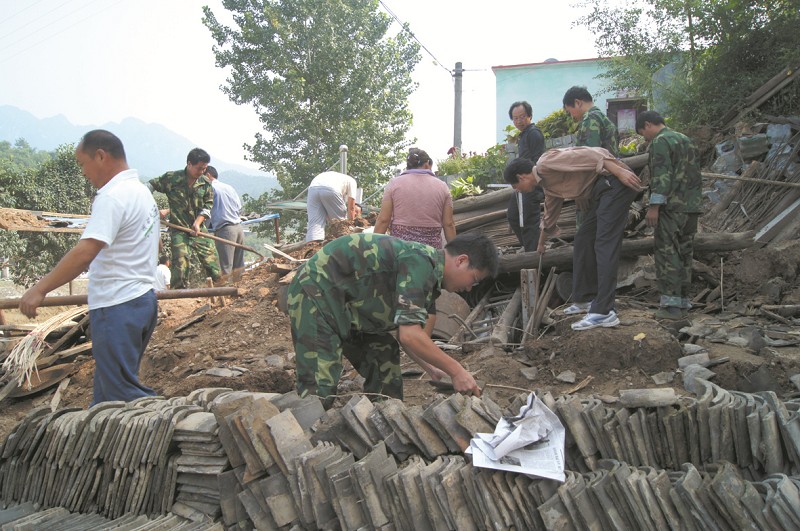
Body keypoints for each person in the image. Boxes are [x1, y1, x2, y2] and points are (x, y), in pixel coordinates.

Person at [19, 130, 160, 405]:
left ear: (101, 156)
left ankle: (182, 429)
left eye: (82, 164)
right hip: (141, 301)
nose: (83, 172)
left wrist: (39, 289)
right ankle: (106, 447)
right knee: (106, 397)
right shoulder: (141, 193)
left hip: (118, 305)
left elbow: (84, 253)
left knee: (124, 397)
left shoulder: (113, 196)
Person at [287, 232, 499, 408]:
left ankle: (384, 417)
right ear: (461, 261)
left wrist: (432, 368)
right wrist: (457, 371)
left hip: (351, 307)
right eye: (474, 279)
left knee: (383, 355)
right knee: (320, 388)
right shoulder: (420, 263)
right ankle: (301, 444)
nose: (470, 288)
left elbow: (405, 332)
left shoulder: (431, 280)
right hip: (317, 293)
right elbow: (410, 335)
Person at [504, 147, 642, 330]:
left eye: (516, 187)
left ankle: (604, 312)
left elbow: (589, 154)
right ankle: (585, 298)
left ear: (522, 177)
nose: (518, 191)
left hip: (614, 183)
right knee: (583, 239)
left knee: (604, 243)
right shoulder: (549, 187)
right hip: (602, 192)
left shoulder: (546, 163)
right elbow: (549, 218)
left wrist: (618, 170)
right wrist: (540, 244)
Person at [636, 111, 702, 320]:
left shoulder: (660, 141)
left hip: (671, 208)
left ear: (647, 125)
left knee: (667, 252)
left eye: (643, 133)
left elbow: (662, 176)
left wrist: (654, 206)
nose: (645, 138)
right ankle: (683, 302)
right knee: (685, 252)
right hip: (691, 207)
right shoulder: (686, 140)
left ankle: (671, 305)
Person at [147, 148, 222, 289]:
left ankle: (223, 292)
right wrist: (145, 204)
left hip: (199, 229)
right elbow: (150, 186)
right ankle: (179, 297)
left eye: (204, 169)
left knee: (213, 264)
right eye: (199, 168)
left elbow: (207, 206)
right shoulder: (172, 179)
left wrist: (198, 223)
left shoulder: (205, 184)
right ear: (189, 164)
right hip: (179, 231)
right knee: (180, 266)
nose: (201, 172)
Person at [373, 147, 456, 249]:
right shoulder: (442, 186)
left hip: (400, 251)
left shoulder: (394, 184)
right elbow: (448, 224)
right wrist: (455, 252)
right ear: (427, 164)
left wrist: (373, 247)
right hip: (431, 254)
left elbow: (383, 220)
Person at [506, 101, 545, 251]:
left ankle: (533, 254)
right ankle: (530, 248)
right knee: (513, 215)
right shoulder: (524, 135)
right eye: (515, 118)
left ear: (529, 116)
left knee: (529, 221)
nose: (519, 121)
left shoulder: (534, 133)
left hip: (531, 184)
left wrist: (529, 181)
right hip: (522, 184)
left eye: (522, 117)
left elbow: (538, 160)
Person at [205, 165, 245, 283]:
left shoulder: (210, 189)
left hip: (225, 230)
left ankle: (226, 294)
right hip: (238, 228)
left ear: (207, 175)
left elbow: (206, 210)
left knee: (226, 266)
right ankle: (240, 292)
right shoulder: (229, 187)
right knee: (239, 266)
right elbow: (238, 206)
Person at [562, 86, 620, 156]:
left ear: (578, 103)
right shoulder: (601, 117)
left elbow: (590, 155)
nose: (572, 116)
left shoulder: (590, 118)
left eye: (569, 112)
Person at [305, 170, 358, 241]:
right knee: (341, 223)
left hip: (313, 188)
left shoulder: (338, 178)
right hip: (331, 189)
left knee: (315, 223)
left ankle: (312, 247)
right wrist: (351, 224)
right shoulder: (352, 182)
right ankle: (344, 243)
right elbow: (351, 207)